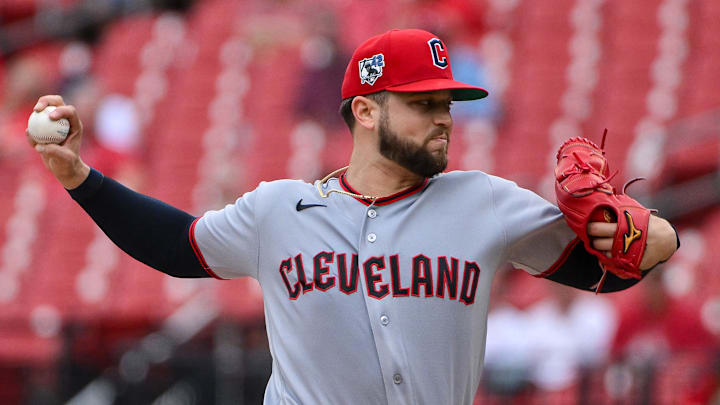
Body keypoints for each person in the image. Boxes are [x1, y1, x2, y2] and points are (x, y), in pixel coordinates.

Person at [28, 29, 679, 404]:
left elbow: (611, 271)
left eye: (448, 103)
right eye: (422, 104)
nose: (444, 118)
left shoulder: (485, 202)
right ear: (365, 110)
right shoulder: (280, 208)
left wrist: (656, 236)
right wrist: (80, 179)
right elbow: (177, 245)